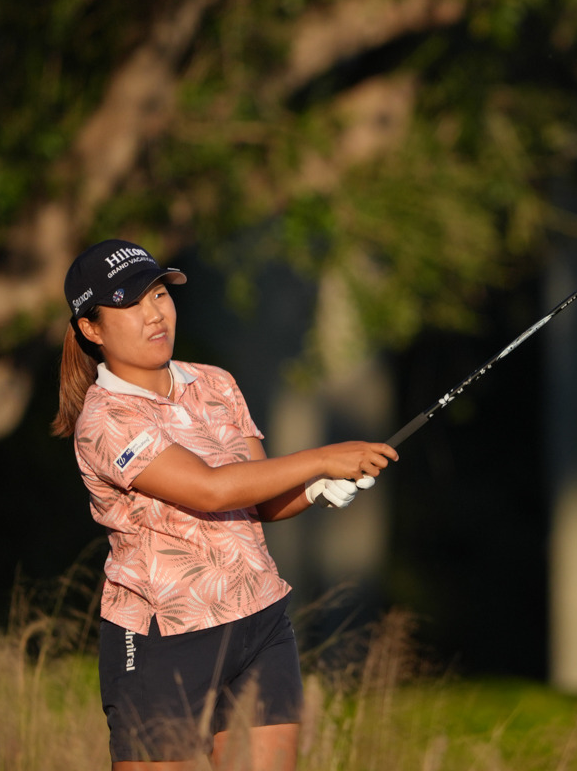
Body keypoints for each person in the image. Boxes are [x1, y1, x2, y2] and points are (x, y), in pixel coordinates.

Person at [51, 239, 397, 770]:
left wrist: (317, 487)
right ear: (90, 328)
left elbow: (258, 499)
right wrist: (321, 459)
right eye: (129, 302)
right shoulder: (105, 419)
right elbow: (210, 488)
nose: (154, 314)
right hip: (163, 637)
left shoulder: (215, 383)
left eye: (160, 294)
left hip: (259, 621)